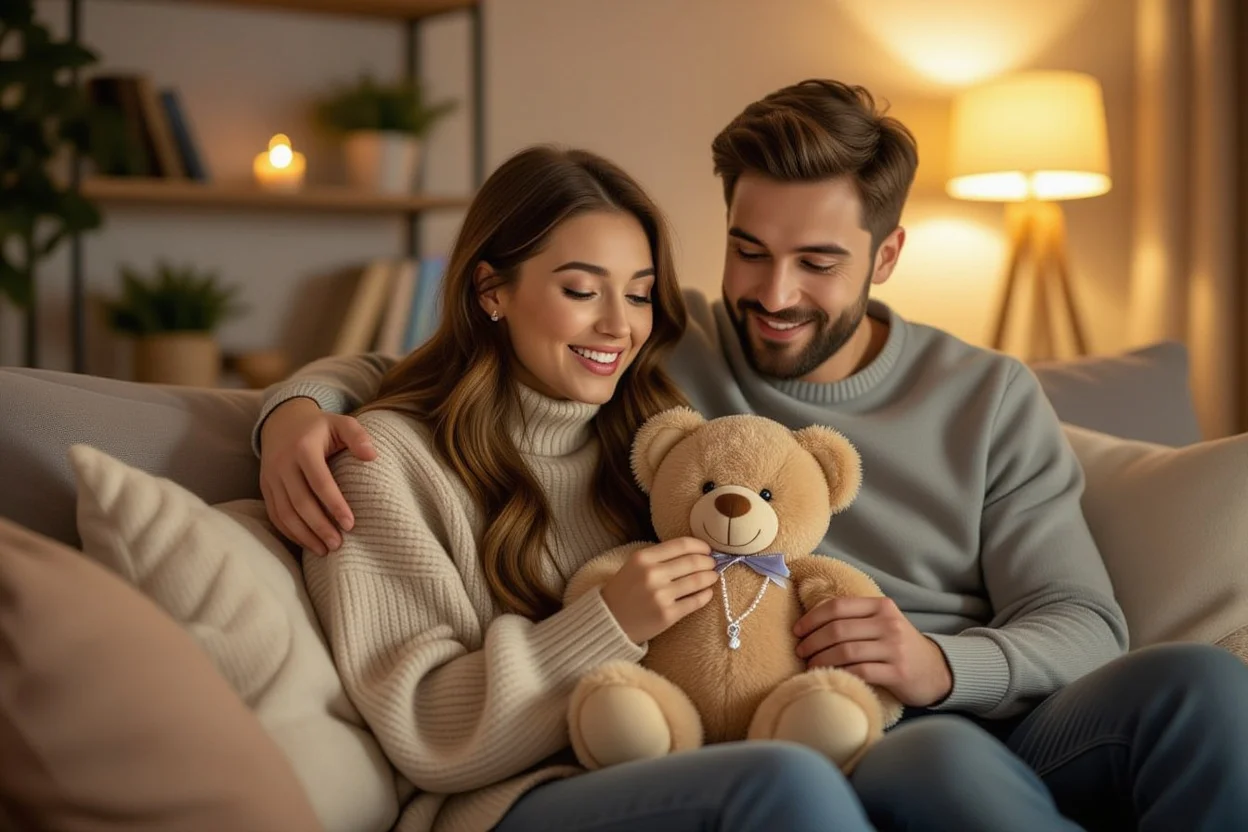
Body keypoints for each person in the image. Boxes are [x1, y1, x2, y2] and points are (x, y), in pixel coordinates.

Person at [256, 83, 1248, 831]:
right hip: (831, 726)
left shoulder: (987, 394)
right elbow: (449, 369)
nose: (773, 295)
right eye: (749, 250)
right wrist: (293, 410)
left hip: (968, 691)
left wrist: (940, 662)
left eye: (817, 263)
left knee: (1204, 685)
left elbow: (1084, 621)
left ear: (887, 256)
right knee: (935, 763)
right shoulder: (665, 347)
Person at [267, 144, 877, 832]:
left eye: (639, 294)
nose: (619, 326)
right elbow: (425, 728)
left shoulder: (650, 443)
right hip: (500, 803)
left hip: (668, 761)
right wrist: (609, 622)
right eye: (582, 291)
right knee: (786, 781)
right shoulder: (383, 463)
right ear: (491, 291)